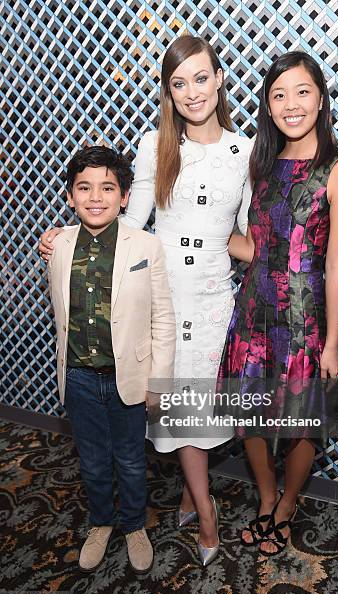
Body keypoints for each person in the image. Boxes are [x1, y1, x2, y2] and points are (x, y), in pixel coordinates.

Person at [39, 35, 253, 566]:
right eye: (178, 83)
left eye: (201, 78)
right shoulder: (153, 143)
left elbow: (250, 237)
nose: (191, 92)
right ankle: (205, 509)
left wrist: (227, 244)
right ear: (169, 91)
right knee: (170, 409)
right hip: (161, 298)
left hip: (210, 303)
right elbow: (127, 223)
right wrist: (69, 234)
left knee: (196, 412)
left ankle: (191, 497)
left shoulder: (245, 152)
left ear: (219, 79)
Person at [217, 51, 338, 556]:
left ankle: (288, 504)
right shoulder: (260, 164)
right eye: (278, 94)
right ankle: (265, 497)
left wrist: (332, 344)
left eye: (301, 91)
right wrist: (198, 237)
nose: (290, 104)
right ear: (268, 106)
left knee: (302, 424)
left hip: (304, 320)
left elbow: (336, 266)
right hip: (254, 311)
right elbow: (255, 246)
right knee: (252, 416)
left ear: (320, 98)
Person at [46, 146, 175, 573]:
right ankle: (101, 521)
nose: (95, 197)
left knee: (131, 459)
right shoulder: (59, 244)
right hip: (79, 376)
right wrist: (50, 236)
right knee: (94, 459)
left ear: (124, 196)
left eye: (107, 187)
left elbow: (162, 318)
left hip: (129, 376)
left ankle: (135, 525)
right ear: (70, 195)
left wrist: (158, 381)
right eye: (84, 188)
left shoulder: (146, 246)